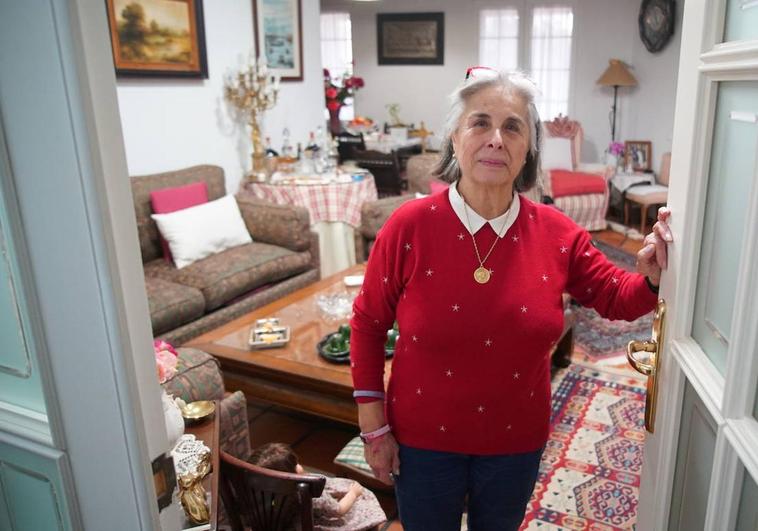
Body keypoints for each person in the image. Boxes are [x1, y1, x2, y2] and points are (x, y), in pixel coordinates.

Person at [349, 66, 673, 531]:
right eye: (480, 122)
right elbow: (367, 323)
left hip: (515, 441)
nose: (496, 138)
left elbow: (616, 296)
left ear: (528, 150)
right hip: (422, 439)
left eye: (513, 127)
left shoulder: (557, 233)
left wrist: (652, 278)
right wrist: (374, 428)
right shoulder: (409, 226)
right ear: (455, 138)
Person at [248, 442, 387, 531]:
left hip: (288, 524)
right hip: (313, 524)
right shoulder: (308, 491)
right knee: (364, 502)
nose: (299, 466)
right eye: (295, 465)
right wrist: (353, 493)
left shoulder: (264, 495)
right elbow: (338, 510)